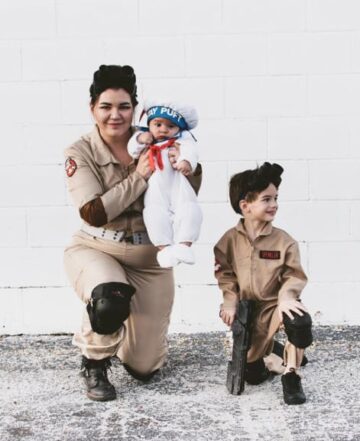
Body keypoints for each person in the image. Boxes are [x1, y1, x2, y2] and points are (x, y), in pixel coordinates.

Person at [63, 65, 202, 402]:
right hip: (99, 248)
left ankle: (123, 331)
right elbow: (93, 212)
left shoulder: (160, 137)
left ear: (136, 109)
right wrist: (139, 177)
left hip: (149, 256)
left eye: (124, 106)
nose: (115, 115)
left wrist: (183, 163)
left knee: (145, 368)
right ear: (92, 108)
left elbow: (188, 193)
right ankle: (94, 361)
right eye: (106, 106)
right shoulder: (79, 151)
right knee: (110, 298)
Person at [214, 162, 312, 405]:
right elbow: (225, 274)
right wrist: (229, 301)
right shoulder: (227, 241)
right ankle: (274, 352)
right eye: (267, 199)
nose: (274, 205)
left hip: (274, 305)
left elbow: (294, 275)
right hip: (247, 310)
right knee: (254, 376)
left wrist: (287, 296)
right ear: (245, 206)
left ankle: (291, 375)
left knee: (298, 321)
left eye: (276, 198)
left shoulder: (284, 242)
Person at [127, 100, 203, 268]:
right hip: (156, 187)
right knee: (155, 213)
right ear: (149, 124)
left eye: (170, 127)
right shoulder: (147, 141)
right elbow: (132, 149)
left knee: (188, 208)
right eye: (158, 124)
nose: (163, 130)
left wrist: (186, 161)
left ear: (178, 129)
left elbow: (191, 150)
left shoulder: (181, 141)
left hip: (178, 184)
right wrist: (140, 138)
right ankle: (164, 248)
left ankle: (184, 244)